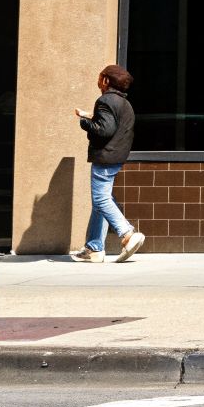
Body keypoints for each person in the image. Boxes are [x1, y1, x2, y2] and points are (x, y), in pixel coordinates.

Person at [71, 64, 144, 263]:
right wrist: (91, 116)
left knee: (101, 200)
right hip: (116, 157)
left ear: (106, 81)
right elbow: (111, 125)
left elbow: (103, 131)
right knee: (99, 203)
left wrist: (84, 123)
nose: (98, 80)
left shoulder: (104, 101)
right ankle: (94, 248)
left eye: (100, 77)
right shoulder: (123, 103)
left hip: (105, 157)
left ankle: (127, 233)